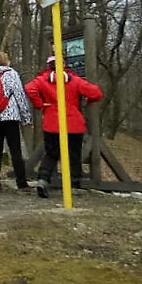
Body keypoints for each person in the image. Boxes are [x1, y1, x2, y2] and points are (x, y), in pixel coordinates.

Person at [25, 55, 104, 198]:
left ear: (49, 66)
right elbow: (96, 93)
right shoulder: (75, 80)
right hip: (74, 123)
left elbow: (29, 89)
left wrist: (40, 105)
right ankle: (74, 183)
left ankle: (43, 179)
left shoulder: (42, 80)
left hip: (52, 123)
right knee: (74, 154)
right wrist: (88, 102)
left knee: (51, 154)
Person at [0, 51, 34, 193]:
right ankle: (21, 183)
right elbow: (20, 96)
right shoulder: (11, 74)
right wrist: (27, 118)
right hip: (10, 115)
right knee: (15, 149)